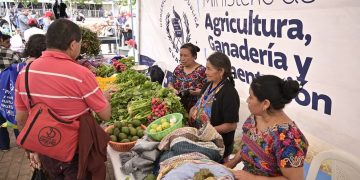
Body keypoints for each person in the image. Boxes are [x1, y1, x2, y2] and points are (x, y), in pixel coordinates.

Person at [15, 19, 112, 179]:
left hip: (46, 147)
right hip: (76, 152)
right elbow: (105, 114)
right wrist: (103, 97)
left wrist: (32, 149)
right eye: (80, 44)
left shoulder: (24, 73)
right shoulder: (81, 74)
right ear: (73, 45)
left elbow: (21, 119)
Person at [225, 75, 309, 179]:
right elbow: (247, 146)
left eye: (251, 97)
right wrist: (231, 163)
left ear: (265, 104)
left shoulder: (289, 139)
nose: (247, 100)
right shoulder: (255, 117)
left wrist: (254, 178)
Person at [189, 52, 239, 160]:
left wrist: (208, 131)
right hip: (201, 138)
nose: (205, 72)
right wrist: (192, 110)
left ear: (221, 71)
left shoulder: (229, 93)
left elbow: (231, 125)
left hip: (217, 145)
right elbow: (201, 103)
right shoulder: (208, 84)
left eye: (209, 69)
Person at [168, 43, 206, 112]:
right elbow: (170, 83)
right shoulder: (178, 68)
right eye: (181, 55)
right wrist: (172, 89)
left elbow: (210, 90)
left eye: (185, 56)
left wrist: (200, 92)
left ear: (194, 57)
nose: (182, 58)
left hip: (195, 110)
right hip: (177, 108)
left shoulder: (202, 71)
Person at [0, 32, 21, 152]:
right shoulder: (10, 53)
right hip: (9, 90)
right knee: (13, 114)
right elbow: (19, 69)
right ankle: (20, 141)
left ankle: (4, 146)